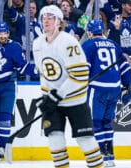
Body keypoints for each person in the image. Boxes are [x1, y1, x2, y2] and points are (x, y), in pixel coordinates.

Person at [32, 5, 103, 168]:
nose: (46, 20)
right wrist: (45, 96)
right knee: (54, 139)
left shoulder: (68, 42)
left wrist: (56, 95)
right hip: (53, 101)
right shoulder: (37, 44)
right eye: (44, 17)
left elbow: (80, 75)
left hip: (75, 100)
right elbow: (44, 76)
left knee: (85, 140)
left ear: (59, 22)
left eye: (51, 17)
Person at [0, 21, 38, 161]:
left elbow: (22, 67)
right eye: (0, 33)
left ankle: (2, 147)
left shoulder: (14, 47)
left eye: (5, 33)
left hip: (8, 85)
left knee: (4, 117)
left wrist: (37, 71)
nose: (3, 36)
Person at [82, 19, 131, 167]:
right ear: (102, 31)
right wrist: (127, 87)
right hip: (115, 89)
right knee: (106, 122)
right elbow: (125, 68)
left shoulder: (88, 45)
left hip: (97, 88)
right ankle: (110, 155)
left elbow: (84, 69)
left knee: (95, 122)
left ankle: (101, 157)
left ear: (90, 32)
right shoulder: (114, 45)